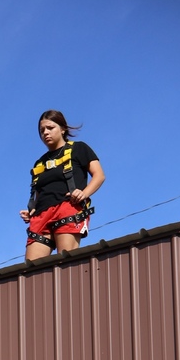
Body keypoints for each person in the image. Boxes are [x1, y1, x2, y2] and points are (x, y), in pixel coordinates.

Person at [20, 110, 105, 261]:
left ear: (63, 129)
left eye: (50, 128)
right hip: (40, 216)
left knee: (66, 262)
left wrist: (84, 193)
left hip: (67, 208)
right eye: (42, 130)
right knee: (30, 270)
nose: (45, 133)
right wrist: (32, 210)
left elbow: (99, 175)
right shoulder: (39, 163)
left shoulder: (78, 148)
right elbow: (39, 193)